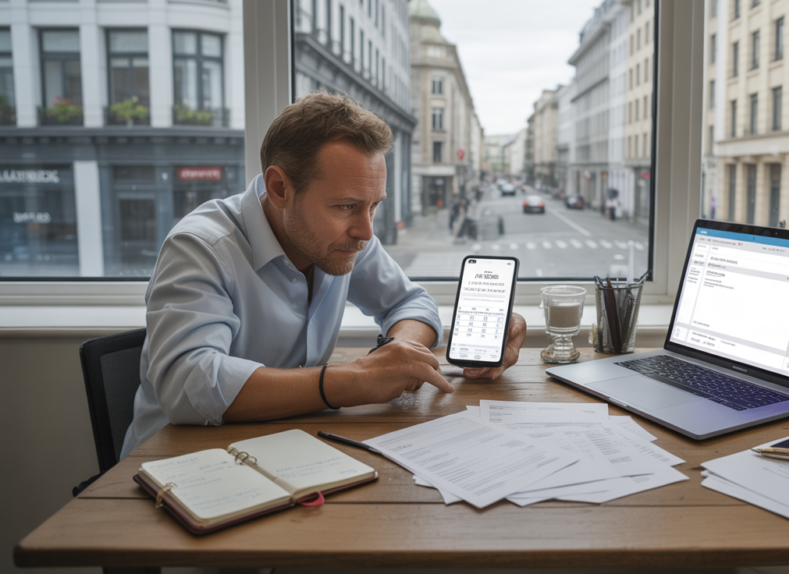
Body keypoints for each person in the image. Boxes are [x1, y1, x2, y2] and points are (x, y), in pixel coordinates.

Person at [120, 93, 526, 458]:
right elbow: (189, 386)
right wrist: (352, 380)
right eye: (347, 206)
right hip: (174, 469)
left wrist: (399, 355)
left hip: (284, 449)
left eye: (374, 206)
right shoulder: (201, 246)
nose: (366, 231)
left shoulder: (340, 238)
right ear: (280, 188)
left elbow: (411, 303)